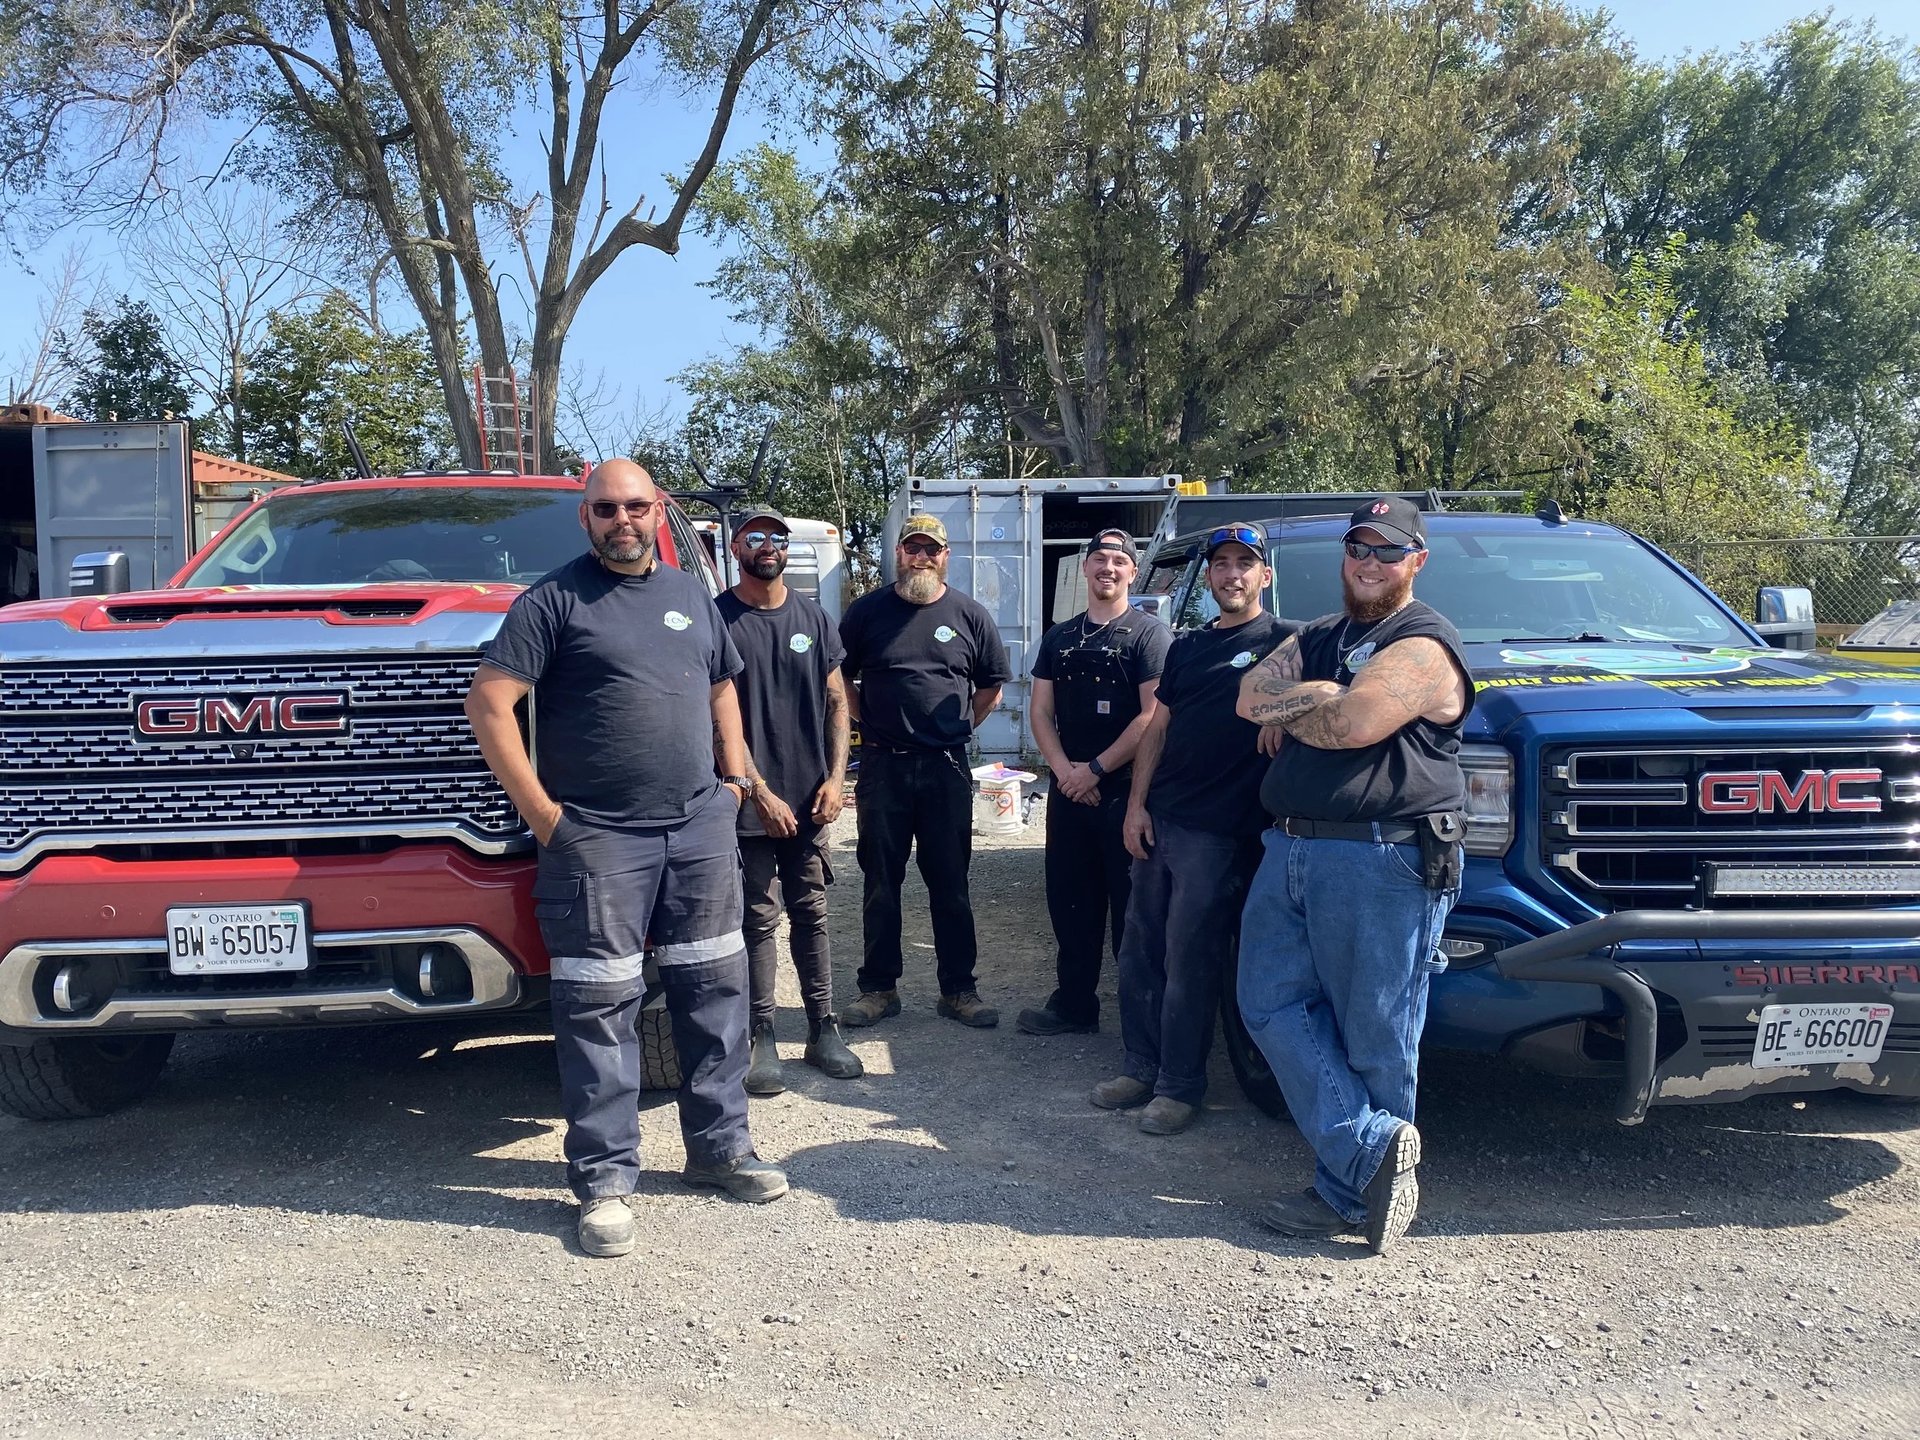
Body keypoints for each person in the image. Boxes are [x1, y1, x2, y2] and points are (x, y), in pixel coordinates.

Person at [464, 459, 787, 1261]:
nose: (623, 520)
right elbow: (489, 702)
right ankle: (605, 1182)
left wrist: (735, 777)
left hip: (698, 832)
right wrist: (544, 817)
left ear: (659, 511)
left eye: (637, 506)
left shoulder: (688, 596)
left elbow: (720, 685)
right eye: (606, 508)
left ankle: (720, 1151)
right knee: (599, 1011)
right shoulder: (552, 602)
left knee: (715, 990)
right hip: (599, 838)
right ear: (587, 519)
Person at [1233, 495, 1473, 1255]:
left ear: (1417, 562)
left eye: (1387, 552)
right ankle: (1371, 1149)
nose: (1369, 564)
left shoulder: (1425, 644)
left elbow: (1354, 724)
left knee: (1376, 1033)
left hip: (1382, 857)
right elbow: (1248, 698)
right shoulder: (1321, 635)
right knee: (1265, 1003)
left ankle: (1350, 1198)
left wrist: (1306, 708)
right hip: (1292, 848)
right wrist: (1321, 696)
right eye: (1358, 549)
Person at [1091, 522, 1293, 1135]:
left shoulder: (1288, 642)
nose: (1232, 574)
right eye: (1222, 564)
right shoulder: (1186, 646)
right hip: (1162, 819)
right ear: (1207, 576)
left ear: (1265, 575)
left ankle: (1181, 1087)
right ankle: (1139, 1067)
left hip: (1221, 832)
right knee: (1137, 949)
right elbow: (1157, 728)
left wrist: (1288, 712)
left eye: (1244, 563)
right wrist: (1136, 805)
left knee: (1190, 957)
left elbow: (1332, 695)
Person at [838, 513, 1011, 1030]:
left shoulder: (969, 614)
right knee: (880, 882)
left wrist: (954, 729)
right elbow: (839, 675)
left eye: (931, 549)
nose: (921, 557)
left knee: (951, 883)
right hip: (882, 769)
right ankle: (878, 989)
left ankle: (959, 990)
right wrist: (864, 717)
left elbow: (990, 688)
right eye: (912, 548)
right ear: (898, 554)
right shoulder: (867, 612)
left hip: (945, 770)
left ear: (945, 556)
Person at [715, 505, 864, 1095]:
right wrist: (758, 791)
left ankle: (823, 1029)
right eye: (756, 536)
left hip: (810, 801)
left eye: (778, 536)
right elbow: (718, 719)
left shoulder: (815, 618)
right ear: (736, 549)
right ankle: (762, 1037)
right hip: (749, 802)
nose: (769, 545)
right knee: (757, 919)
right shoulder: (718, 619)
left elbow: (836, 702)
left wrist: (836, 777)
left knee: (813, 913)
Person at [1017, 528, 1171, 1036]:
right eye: (1099, 559)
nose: (1109, 568)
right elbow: (1040, 710)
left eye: (1119, 561)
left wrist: (1096, 769)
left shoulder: (1150, 635)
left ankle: (1140, 1022)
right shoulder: (1059, 637)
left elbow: (1152, 716)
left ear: (1133, 572)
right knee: (1071, 903)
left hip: (1125, 793)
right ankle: (1074, 1006)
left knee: (1132, 914)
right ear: (1084, 568)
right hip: (1069, 793)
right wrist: (1064, 772)